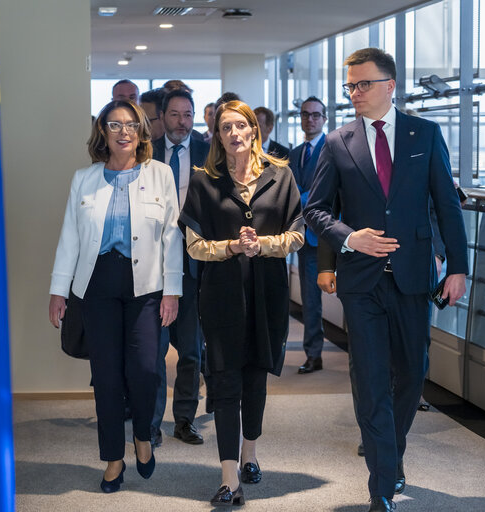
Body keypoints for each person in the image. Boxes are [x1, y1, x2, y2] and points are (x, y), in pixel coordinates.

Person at [304, 48, 468, 512]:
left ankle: (390, 453)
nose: (354, 93)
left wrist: (458, 266)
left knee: (412, 374)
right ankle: (380, 485)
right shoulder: (338, 142)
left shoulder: (426, 133)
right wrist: (349, 237)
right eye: (349, 86)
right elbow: (315, 210)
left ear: (389, 86)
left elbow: (447, 205)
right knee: (371, 378)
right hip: (362, 283)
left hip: (415, 277)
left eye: (362, 84)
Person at [48, 100, 182, 493]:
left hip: (146, 285)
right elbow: (70, 237)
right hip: (96, 285)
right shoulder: (84, 179)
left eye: (131, 125)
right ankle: (112, 458)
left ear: (141, 132)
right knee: (106, 378)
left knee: (145, 370)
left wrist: (172, 290)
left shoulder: (160, 175)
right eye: (114, 125)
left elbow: (172, 236)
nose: (123, 132)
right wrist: (59, 290)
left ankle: (142, 435)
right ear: (103, 133)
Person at [179, 100, 304, 506]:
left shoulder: (281, 176)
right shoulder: (203, 181)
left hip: (267, 292)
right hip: (221, 294)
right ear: (217, 135)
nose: (234, 134)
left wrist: (263, 245)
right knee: (225, 380)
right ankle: (229, 476)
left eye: (241, 126)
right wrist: (233, 246)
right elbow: (195, 247)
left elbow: (298, 234)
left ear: (255, 130)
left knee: (255, 378)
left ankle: (250, 451)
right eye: (225, 127)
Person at [151, 89, 210, 447]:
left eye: (188, 115)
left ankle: (185, 420)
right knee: (153, 352)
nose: (182, 122)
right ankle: (152, 422)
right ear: (162, 116)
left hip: (193, 266)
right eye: (175, 115)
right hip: (152, 268)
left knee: (191, 351)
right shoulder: (146, 153)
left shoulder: (208, 154)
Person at [287, 97, 327, 374]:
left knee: (352, 298)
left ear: (324, 119)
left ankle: (364, 357)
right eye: (305, 114)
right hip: (304, 236)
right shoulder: (295, 153)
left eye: (315, 115)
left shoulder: (335, 148)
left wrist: (302, 198)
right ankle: (314, 354)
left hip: (332, 237)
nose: (310, 119)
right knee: (310, 300)